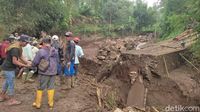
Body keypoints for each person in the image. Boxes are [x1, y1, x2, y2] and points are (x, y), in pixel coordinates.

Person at [0, 35, 31, 106]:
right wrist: (25, 65)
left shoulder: (18, 46)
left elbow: (20, 56)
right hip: (8, 68)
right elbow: (15, 61)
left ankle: (1, 96)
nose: (27, 44)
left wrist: (27, 62)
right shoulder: (15, 49)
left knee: (7, 82)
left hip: (8, 67)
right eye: (26, 42)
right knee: (11, 84)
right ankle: (11, 100)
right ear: (22, 41)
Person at [32, 38, 59, 109]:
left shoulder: (41, 51)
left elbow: (35, 61)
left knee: (40, 87)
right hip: (53, 72)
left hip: (44, 72)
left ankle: (38, 104)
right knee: (51, 87)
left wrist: (32, 66)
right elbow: (57, 60)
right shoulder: (55, 50)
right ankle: (51, 103)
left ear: (43, 43)